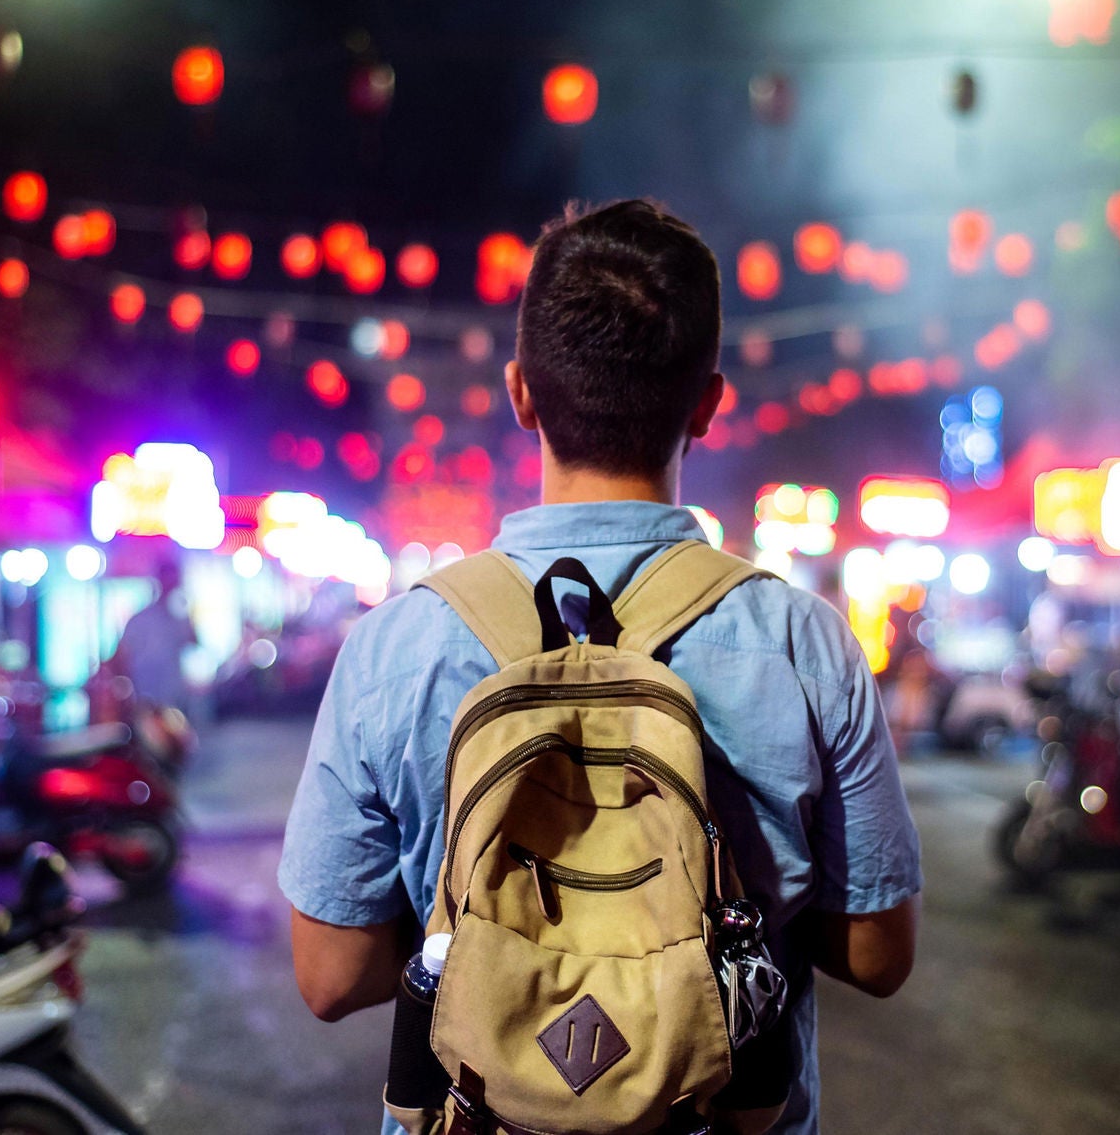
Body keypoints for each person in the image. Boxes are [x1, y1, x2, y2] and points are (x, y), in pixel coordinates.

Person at [280, 200, 921, 1134]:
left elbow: (330, 976)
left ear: (521, 394)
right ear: (707, 403)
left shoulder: (396, 645)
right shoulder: (803, 640)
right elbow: (879, 954)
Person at [111, 559, 197, 712]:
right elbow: (121, 656)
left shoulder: (178, 618)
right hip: (145, 699)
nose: (172, 584)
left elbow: (194, 642)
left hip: (174, 699)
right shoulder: (141, 619)